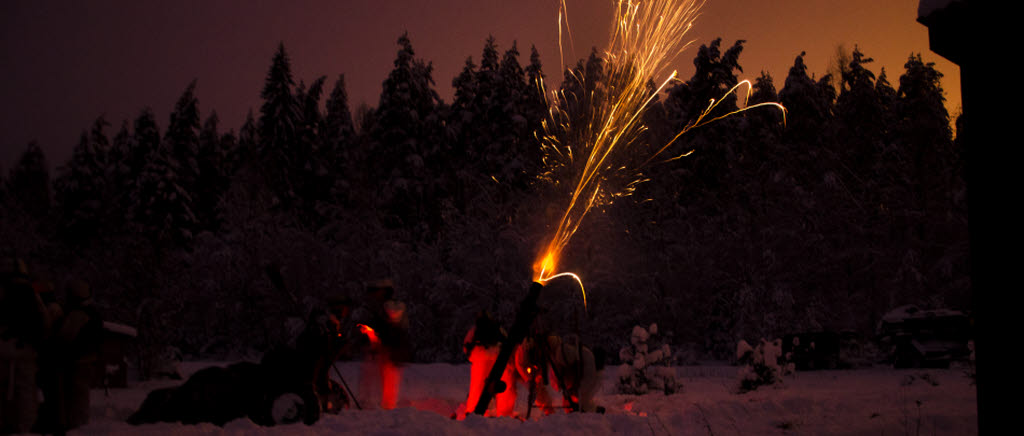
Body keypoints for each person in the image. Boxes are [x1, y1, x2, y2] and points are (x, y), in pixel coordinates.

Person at [0, 256, 48, 434]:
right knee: (26, 391)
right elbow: (44, 321)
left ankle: (5, 423)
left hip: (2, 348)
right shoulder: (31, 293)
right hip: (26, 350)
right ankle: (25, 427)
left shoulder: (2, 291)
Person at [51, 279, 104, 431]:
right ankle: (79, 424)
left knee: (76, 396)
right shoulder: (93, 314)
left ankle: (77, 426)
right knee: (80, 394)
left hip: (77, 361)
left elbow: (64, 337)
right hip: (87, 359)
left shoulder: (78, 315)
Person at [354, 279, 410, 410]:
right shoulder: (379, 309)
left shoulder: (393, 307)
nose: (373, 295)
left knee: (388, 385)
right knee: (372, 380)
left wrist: (373, 330)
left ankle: (386, 411)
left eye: (376, 291)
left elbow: (390, 326)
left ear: (384, 291)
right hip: (382, 352)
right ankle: (370, 406)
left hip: (391, 352)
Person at [455, 310, 519, 419]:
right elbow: (507, 342)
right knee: (505, 386)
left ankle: (472, 412)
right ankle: (505, 414)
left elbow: (466, 346)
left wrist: (473, 357)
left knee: (477, 387)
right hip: (498, 356)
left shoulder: (474, 330)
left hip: (479, 357)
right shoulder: (498, 328)